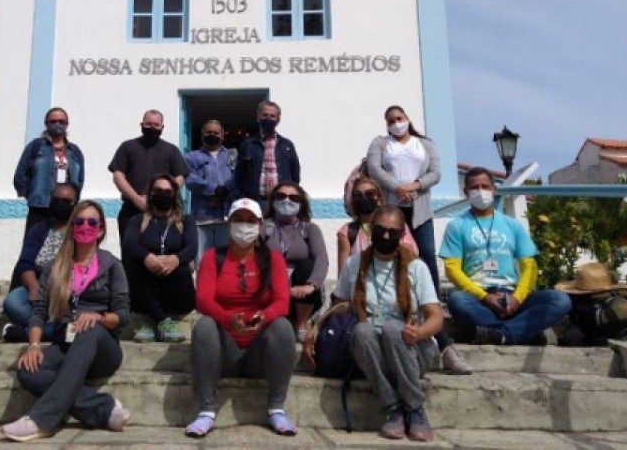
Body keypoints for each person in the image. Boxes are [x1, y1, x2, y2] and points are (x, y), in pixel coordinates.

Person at [308, 205, 442, 442]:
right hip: (373, 353)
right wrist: (316, 327)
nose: (387, 236)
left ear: (402, 235)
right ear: (371, 230)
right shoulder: (354, 265)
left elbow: (436, 317)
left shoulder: (416, 266)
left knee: (392, 328)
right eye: (381, 230)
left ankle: (414, 408)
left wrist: (419, 332)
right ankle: (394, 409)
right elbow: (340, 305)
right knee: (362, 330)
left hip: (412, 348)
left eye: (394, 232)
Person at [2, 200, 132, 441]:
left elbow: (123, 315)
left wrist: (99, 317)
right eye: (79, 221)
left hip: (102, 347)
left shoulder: (112, 265)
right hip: (66, 342)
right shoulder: (55, 267)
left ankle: (42, 421)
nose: (85, 226)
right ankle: (103, 408)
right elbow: (39, 310)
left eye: (92, 222)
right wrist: (33, 346)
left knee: (88, 328)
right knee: (28, 370)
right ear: (72, 227)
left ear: (101, 230)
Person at [363, 106, 471, 374]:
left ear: (408, 120)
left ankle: (430, 303)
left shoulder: (425, 144)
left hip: (420, 208)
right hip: (392, 207)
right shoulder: (380, 143)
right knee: (392, 251)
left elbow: (436, 172)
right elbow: (374, 168)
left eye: (399, 119)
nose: (396, 124)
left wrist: (414, 185)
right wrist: (397, 187)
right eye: (391, 121)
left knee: (425, 254)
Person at [186, 199, 298, 438]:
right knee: (204, 326)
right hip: (225, 349)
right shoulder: (212, 257)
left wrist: (264, 316)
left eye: (250, 220)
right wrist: (228, 320)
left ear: (259, 225)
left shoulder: (273, 259)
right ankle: (206, 411)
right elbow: (203, 300)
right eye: (238, 219)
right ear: (229, 223)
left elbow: (282, 302)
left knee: (283, 327)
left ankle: (277, 407)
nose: (244, 225)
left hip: (260, 352)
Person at [442, 167, 572, 345]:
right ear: (466, 192)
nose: (481, 191)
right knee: (457, 301)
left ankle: (499, 334)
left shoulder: (512, 225)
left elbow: (529, 266)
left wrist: (517, 299)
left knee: (560, 300)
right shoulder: (457, 226)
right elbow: (452, 269)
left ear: (494, 190)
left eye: (485, 187)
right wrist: (485, 298)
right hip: (477, 299)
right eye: (475, 188)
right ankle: (519, 331)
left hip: (512, 295)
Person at [122, 174, 198, 342]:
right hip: (145, 289)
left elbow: (192, 247)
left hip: (176, 293)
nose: (163, 194)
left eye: (168, 191)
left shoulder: (186, 221)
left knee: (184, 267)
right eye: (158, 191)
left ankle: (152, 319)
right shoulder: (138, 220)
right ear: (150, 194)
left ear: (175, 195)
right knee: (132, 264)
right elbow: (128, 243)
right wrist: (147, 257)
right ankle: (161, 322)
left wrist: (176, 259)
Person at [2, 182, 80, 342]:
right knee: (12, 302)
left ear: (75, 204)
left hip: (67, 289)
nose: (61, 205)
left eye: (66, 202)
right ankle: (53, 331)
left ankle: (28, 332)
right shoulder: (39, 229)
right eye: (56, 200)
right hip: (40, 288)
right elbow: (25, 263)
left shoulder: (79, 231)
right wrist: (33, 288)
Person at [107, 109, 188, 239]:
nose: (152, 127)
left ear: (162, 127)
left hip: (163, 211)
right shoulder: (127, 147)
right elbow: (118, 175)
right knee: (130, 254)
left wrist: (165, 195)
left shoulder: (171, 150)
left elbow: (180, 176)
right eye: (148, 124)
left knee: (160, 252)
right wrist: (136, 198)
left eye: (156, 125)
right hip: (131, 210)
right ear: (141, 125)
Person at [262, 182, 327, 335]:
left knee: (307, 265)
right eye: (281, 196)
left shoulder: (310, 229)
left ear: (300, 202)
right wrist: (282, 290)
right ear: (273, 201)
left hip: (303, 293)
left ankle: (301, 324)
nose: (287, 200)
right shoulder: (264, 228)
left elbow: (322, 259)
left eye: (293, 197)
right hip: (273, 290)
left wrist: (311, 285)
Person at [14, 107, 85, 239]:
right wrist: (32, 196)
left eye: (61, 121)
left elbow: (80, 180)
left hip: (66, 208)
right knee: (34, 247)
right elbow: (20, 176)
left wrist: (72, 199)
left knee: (63, 248)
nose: (57, 124)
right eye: (53, 121)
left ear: (67, 124)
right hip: (40, 208)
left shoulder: (74, 151)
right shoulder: (35, 146)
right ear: (46, 123)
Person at [184, 119, 237, 261]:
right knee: (202, 261)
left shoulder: (233, 155)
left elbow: (238, 179)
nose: (212, 135)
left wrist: (222, 195)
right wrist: (213, 190)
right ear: (202, 135)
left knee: (226, 261)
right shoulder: (191, 157)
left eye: (216, 133)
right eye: (209, 132)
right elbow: (189, 179)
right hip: (202, 218)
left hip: (226, 217)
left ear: (222, 135)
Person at [234, 100, 300, 213]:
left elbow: (295, 174)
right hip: (255, 202)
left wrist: (289, 195)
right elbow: (239, 175)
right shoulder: (247, 145)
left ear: (278, 120)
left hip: (282, 201)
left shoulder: (287, 145)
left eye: (272, 116)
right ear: (258, 117)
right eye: (264, 115)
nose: (268, 118)